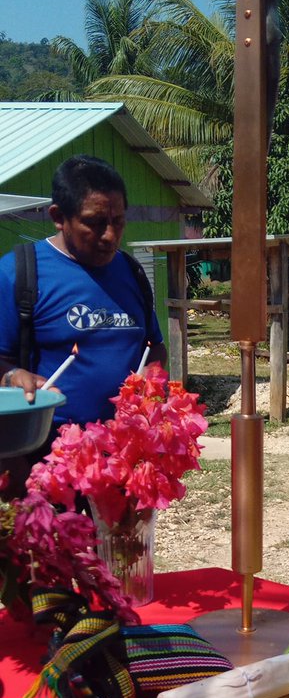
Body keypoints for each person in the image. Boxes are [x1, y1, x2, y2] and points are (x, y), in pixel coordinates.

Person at [0, 155, 167, 493]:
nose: (110, 235)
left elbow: (153, 347)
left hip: (122, 463)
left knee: (118, 547)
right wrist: (11, 375)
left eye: (118, 221)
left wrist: (151, 388)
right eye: (95, 222)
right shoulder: (17, 273)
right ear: (58, 217)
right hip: (45, 467)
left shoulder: (131, 274)